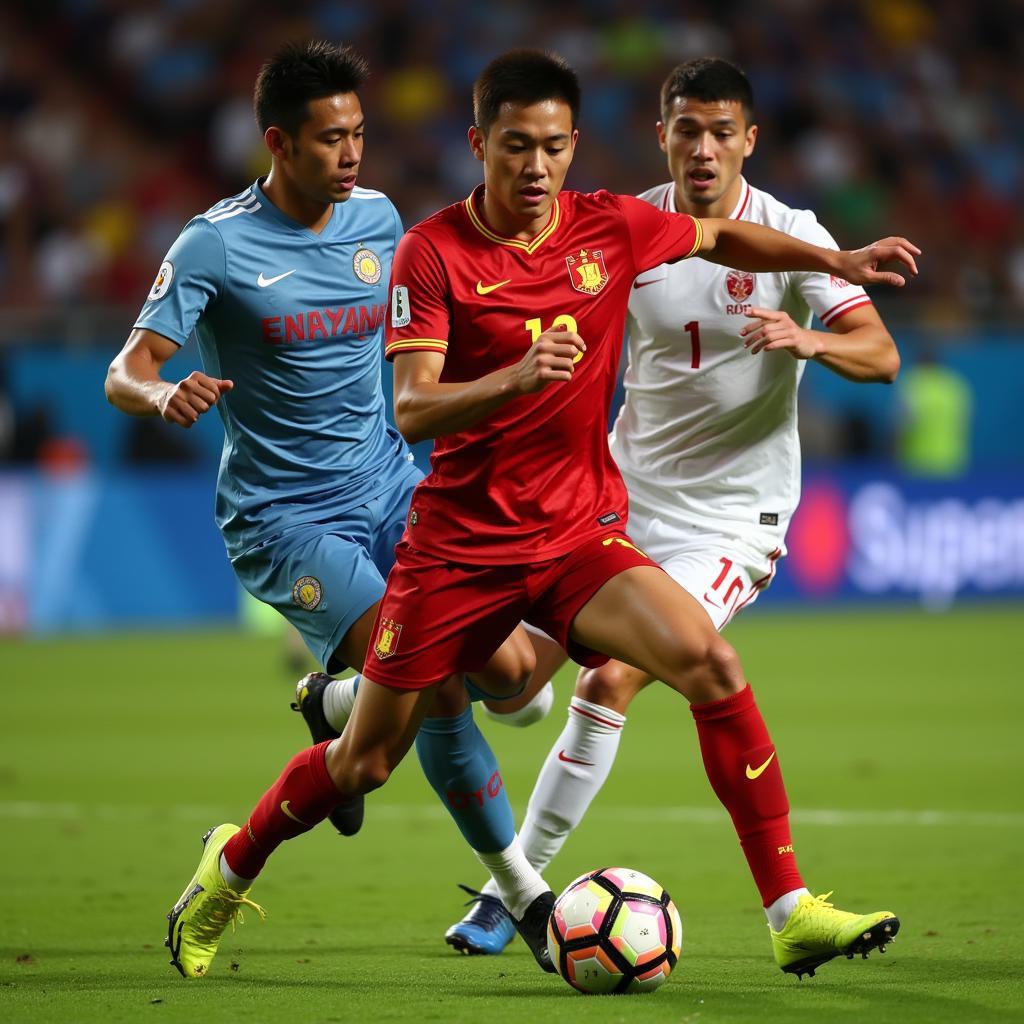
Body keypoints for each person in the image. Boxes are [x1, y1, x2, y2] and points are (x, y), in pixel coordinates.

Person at [170, 48, 917, 983]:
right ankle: (229, 867)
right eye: (517, 147)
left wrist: (833, 259)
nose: (536, 169)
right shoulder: (431, 252)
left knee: (706, 663)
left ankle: (791, 911)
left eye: (555, 148)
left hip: (577, 536)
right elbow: (414, 407)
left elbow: (722, 239)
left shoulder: (610, 228)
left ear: (574, 149)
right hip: (456, 552)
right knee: (364, 764)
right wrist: (517, 377)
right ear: (479, 143)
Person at [445, 56, 905, 965]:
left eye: (721, 131)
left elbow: (881, 353)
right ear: (662, 135)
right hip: (615, 500)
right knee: (509, 677)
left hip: (732, 519)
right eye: (686, 129)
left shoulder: (791, 233)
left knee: (610, 677)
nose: (703, 148)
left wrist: (808, 336)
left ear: (749, 140)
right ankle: (354, 693)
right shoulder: (633, 228)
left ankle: (520, 898)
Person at [105, 40, 537, 979]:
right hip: (285, 518)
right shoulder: (213, 244)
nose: (352, 156)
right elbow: (123, 372)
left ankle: (336, 699)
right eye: (331, 139)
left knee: (515, 680)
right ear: (278, 143)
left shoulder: (378, 219)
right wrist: (163, 393)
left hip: (390, 486)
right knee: (436, 687)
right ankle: (520, 890)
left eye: (360, 135)